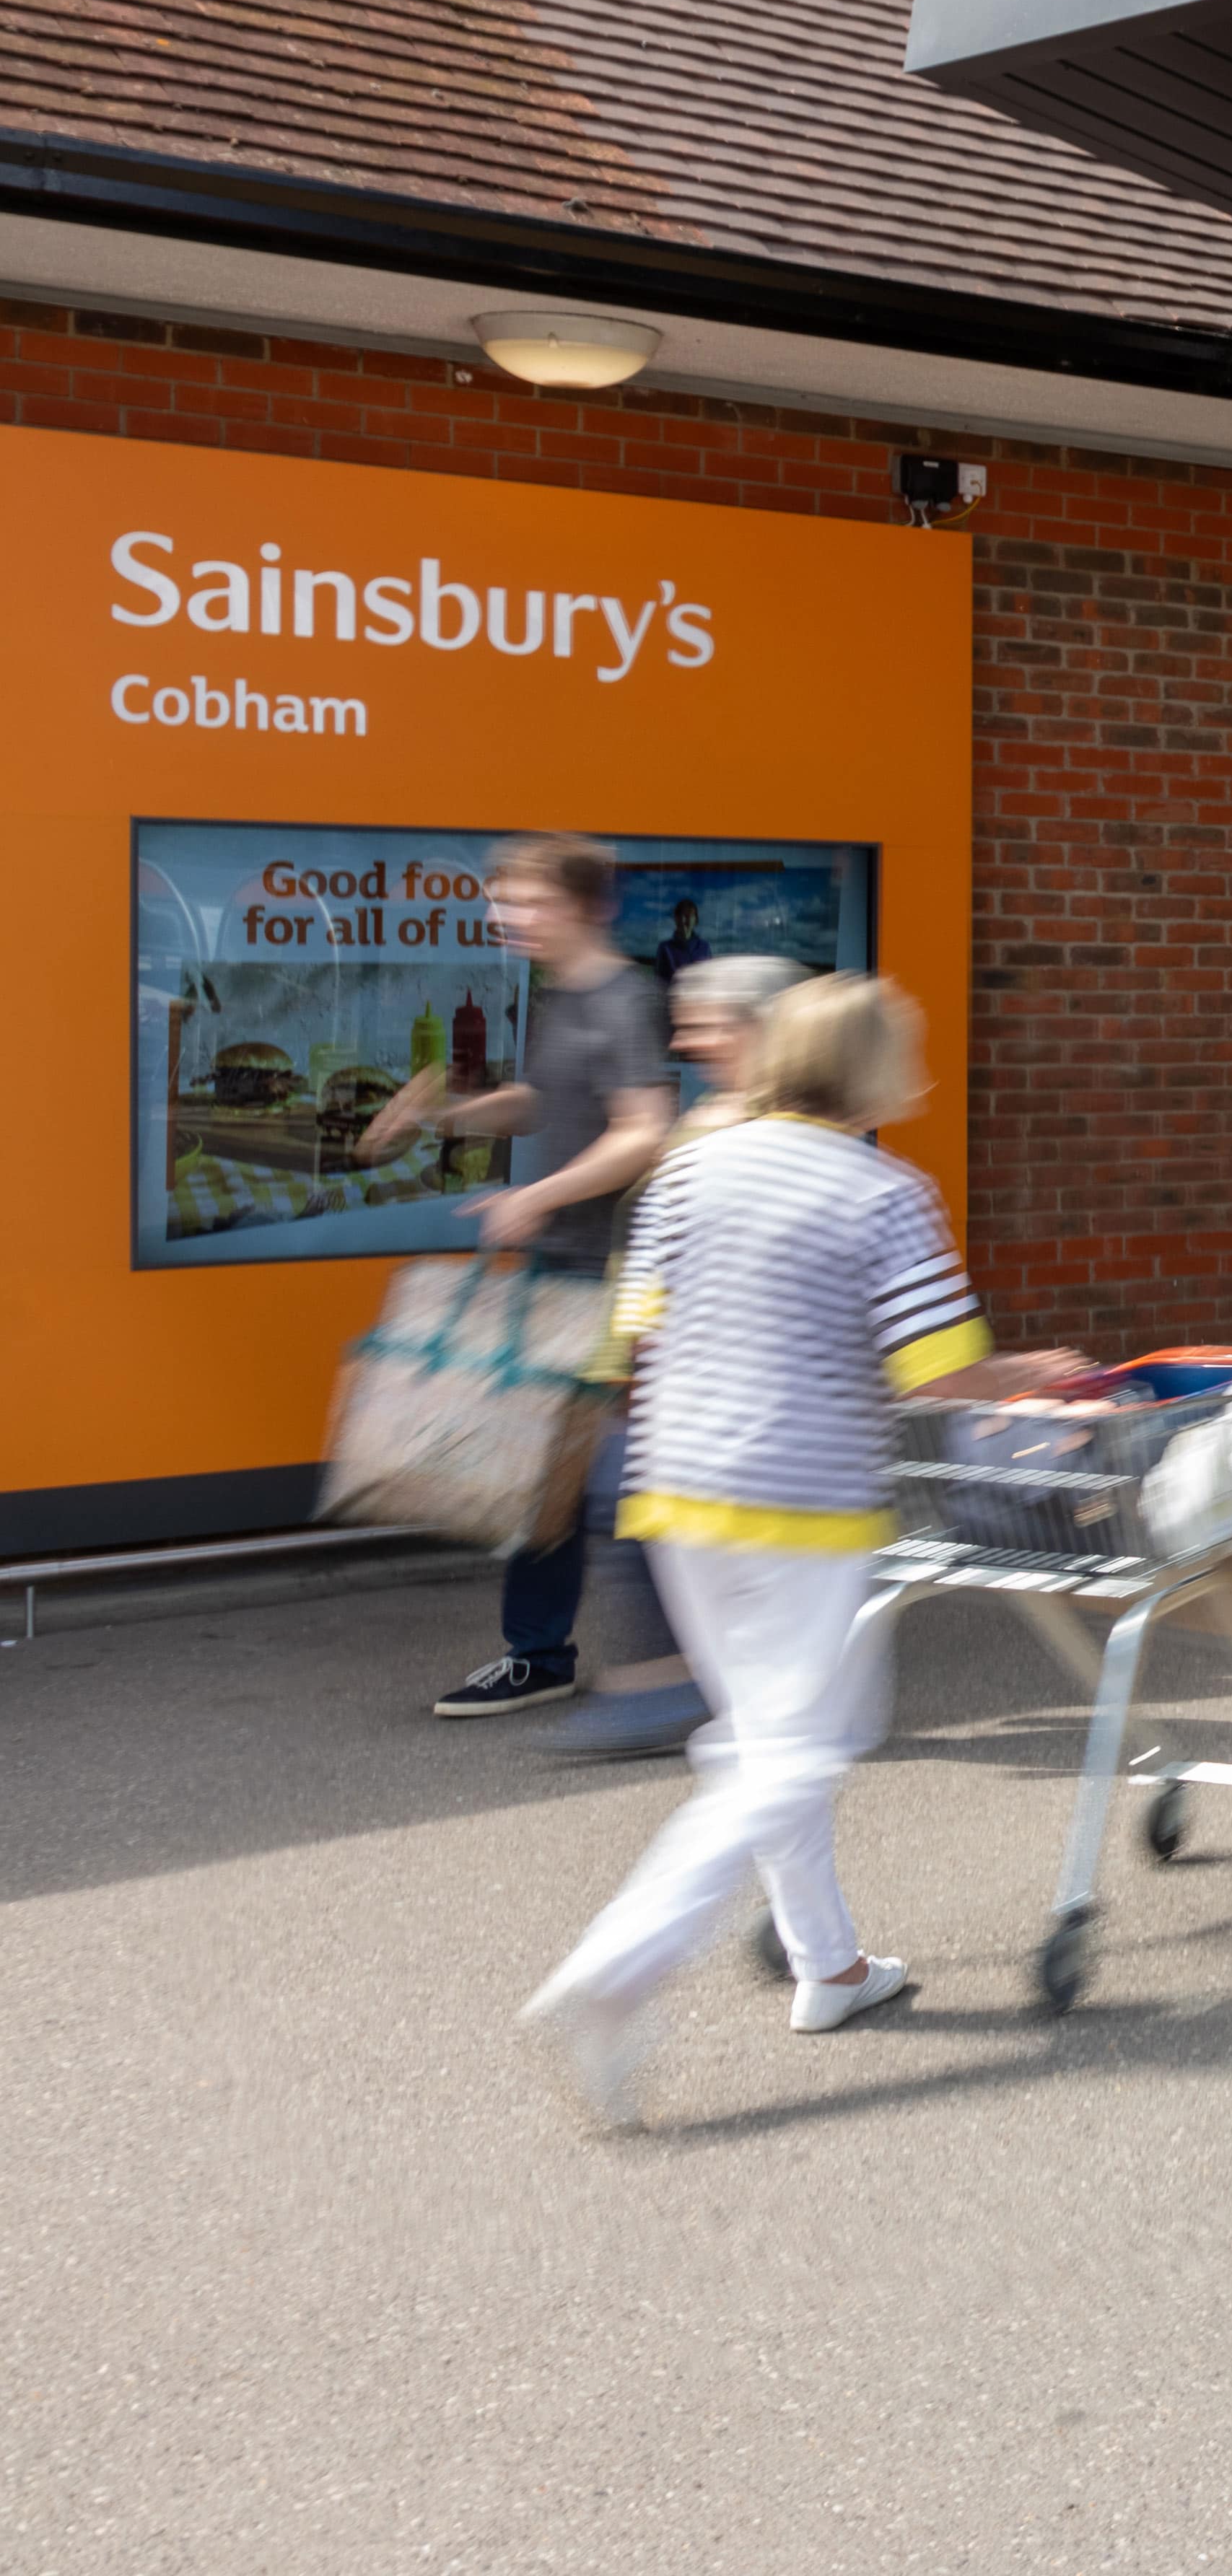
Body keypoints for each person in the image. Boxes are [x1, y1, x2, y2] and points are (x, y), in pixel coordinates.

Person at [517, 975, 1076, 2124]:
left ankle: (829, 1968)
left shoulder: (686, 1168)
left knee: (768, 1743)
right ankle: (618, 1968)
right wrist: (1037, 1376)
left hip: (678, 1496)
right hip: (802, 1504)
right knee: (799, 1751)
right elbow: (934, 1373)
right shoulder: (884, 1192)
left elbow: (635, 1336)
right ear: (867, 1069)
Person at [358, 833, 677, 1719]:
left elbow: (644, 1128)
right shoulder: (563, 994)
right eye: (503, 903)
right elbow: (546, 1099)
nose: (507, 918)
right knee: (551, 1470)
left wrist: (538, 1193)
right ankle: (544, 1655)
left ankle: (668, 1659)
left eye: (526, 902)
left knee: (607, 1474)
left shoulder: (624, 995)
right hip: (563, 1267)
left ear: (584, 906)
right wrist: (449, 1115)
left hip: (615, 1272)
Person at [530, 955, 810, 1762]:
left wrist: (638, 1359)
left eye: (700, 1021)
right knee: (626, 1509)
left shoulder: (755, 1127)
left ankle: (677, 1689)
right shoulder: (720, 1116)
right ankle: (684, 1683)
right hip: (668, 1364)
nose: (682, 1038)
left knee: (629, 1506)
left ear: (755, 1027)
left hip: (704, 1375)